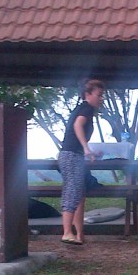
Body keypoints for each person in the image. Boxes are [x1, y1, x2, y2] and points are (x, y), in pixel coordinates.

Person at [58, 79, 105, 244]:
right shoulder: (86, 108)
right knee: (72, 192)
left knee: (79, 194)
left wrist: (89, 151)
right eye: (99, 95)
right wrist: (86, 148)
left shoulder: (84, 109)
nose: (101, 99)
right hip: (71, 155)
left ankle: (79, 234)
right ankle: (66, 232)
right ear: (88, 94)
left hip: (73, 155)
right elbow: (77, 126)